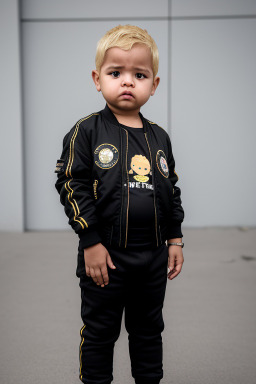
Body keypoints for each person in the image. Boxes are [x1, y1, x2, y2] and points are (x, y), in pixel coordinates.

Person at [55, 24, 185, 384]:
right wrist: (91, 241)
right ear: (98, 79)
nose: (127, 81)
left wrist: (174, 239)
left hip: (153, 257)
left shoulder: (159, 137)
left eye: (139, 74)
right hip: (106, 257)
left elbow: (170, 189)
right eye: (116, 73)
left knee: (148, 331)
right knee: (101, 331)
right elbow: (71, 184)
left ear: (153, 84)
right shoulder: (88, 131)